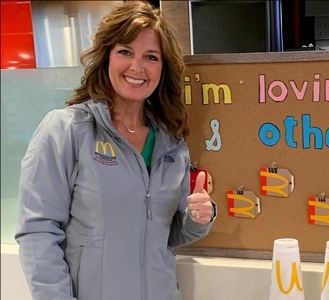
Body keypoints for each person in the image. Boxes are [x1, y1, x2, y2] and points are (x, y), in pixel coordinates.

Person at [14, 2, 216, 299]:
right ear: (106, 56)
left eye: (151, 57)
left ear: (163, 67)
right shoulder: (67, 130)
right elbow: (38, 233)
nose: (137, 67)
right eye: (125, 51)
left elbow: (164, 232)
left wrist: (198, 219)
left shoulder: (170, 142)